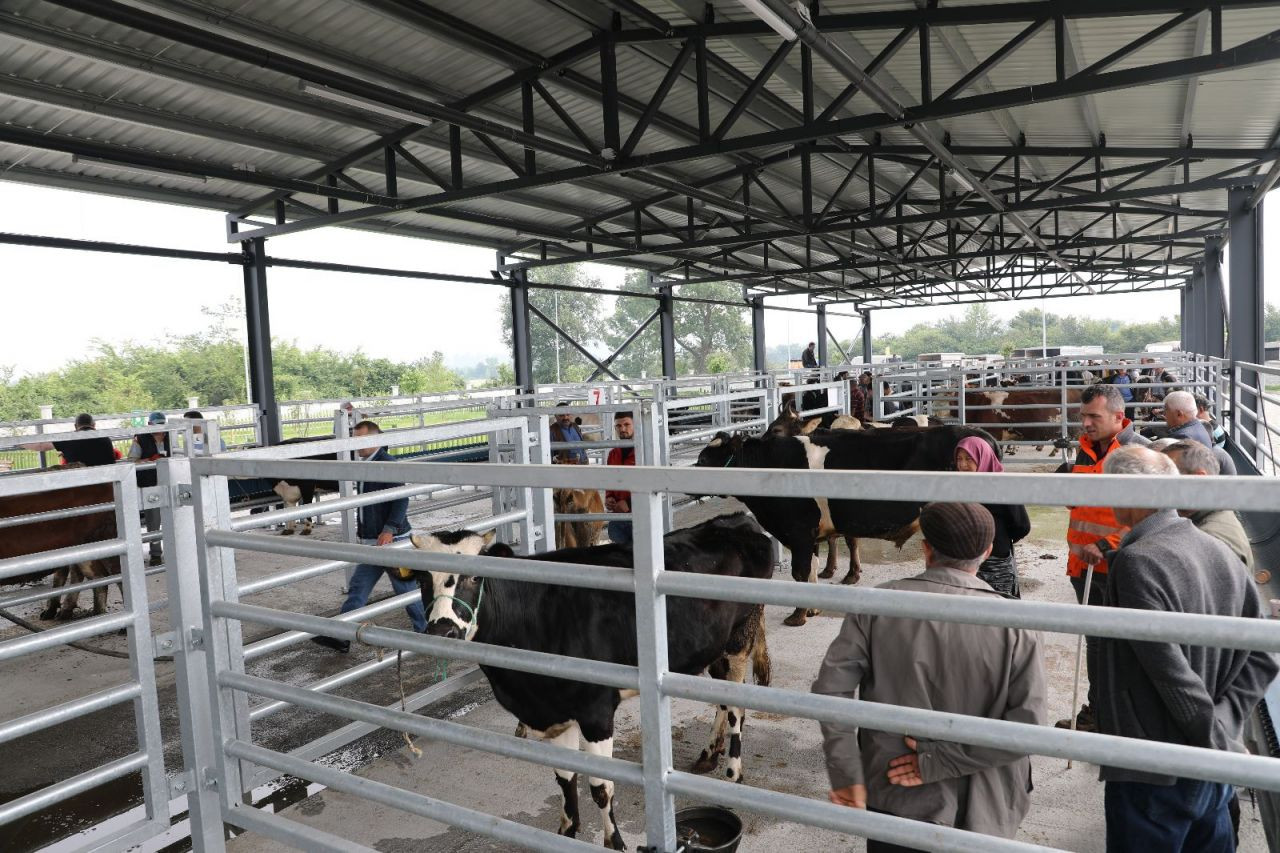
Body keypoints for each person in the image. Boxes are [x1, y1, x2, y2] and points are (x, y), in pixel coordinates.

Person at [813, 502, 1046, 850]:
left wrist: (847, 774)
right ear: (987, 551)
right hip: (984, 808)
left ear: (925, 547)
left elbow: (832, 691)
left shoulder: (878, 605)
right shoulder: (1019, 625)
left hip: (897, 798)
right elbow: (1028, 727)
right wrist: (945, 761)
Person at [1095, 446, 1276, 853]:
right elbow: (1265, 652)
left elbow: (1171, 675)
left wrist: (1213, 737)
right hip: (1213, 766)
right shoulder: (1217, 549)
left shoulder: (1137, 561)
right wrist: (1226, 725)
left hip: (1155, 767)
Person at [1058, 383, 1149, 732]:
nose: (1085, 423)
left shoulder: (1138, 455)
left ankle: (1119, 719)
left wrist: (1109, 545)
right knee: (1097, 645)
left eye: (1094, 416)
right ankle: (1101, 714)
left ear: (1118, 417)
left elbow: (1152, 512)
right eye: (1083, 416)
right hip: (1083, 567)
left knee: (1123, 647)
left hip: (1118, 567)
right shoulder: (1084, 451)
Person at [313, 420, 425, 652]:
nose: (356, 444)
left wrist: (389, 529)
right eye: (353, 439)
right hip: (373, 541)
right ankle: (342, 635)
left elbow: (401, 499)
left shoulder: (387, 464)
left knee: (405, 590)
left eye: (360, 439)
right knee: (358, 587)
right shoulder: (368, 463)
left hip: (392, 541)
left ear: (375, 439)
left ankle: (426, 632)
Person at [953, 437, 1030, 598]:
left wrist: (997, 538)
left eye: (969, 458)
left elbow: (1022, 525)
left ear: (983, 457)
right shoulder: (956, 486)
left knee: (998, 608)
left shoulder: (1002, 485)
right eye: (959, 459)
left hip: (996, 560)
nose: (962, 465)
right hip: (963, 560)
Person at [1161, 441, 1253, 571]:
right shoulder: (1212, 516)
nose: (1157, 486)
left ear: (1198, 480)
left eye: (1166, 477)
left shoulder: (1209, 542)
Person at [130, 412, 170, 566]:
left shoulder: (171, 437)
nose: (160, 429)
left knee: (175, 518)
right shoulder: (140, 439)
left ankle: (177, 549)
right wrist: (149, 460)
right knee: (153, 521)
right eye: (157, 425)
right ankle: (155, 554)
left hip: (169, 482)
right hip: (149, 483)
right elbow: (132, 461)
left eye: (162, 424)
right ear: (149, 424)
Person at [1163, 390, 1235, 474]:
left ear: (1179, 414)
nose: (1165, 415)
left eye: (1166, 410)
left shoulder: (1183, 436)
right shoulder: (1199, 426)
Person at [22, 412, 117, 467]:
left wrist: (19, 443)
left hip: (80, 486)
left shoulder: (68, 439)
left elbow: (40, 446)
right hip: (108, 484)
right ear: (94, 425)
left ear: (75, 426)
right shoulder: (106, 439)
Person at [603, 411, 636, 545]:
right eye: (618, 426)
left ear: (635, 425)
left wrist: (629, 503)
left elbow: (652, 482)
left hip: (640, 513)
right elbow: (610, 480)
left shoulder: (644, 452)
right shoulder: (613, 454)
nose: (622, 429)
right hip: (619, 515)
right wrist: (609, 497)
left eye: (627, 424)